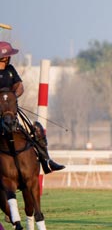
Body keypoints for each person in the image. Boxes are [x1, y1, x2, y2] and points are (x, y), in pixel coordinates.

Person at [0, 41, 65, 174]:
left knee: (37, 129)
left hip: (11, 110)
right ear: (4, 57)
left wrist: (13, 97)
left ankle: (46, 160)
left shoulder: (10, 69)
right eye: (8, 55)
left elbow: (19, 86)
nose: (9, 58)